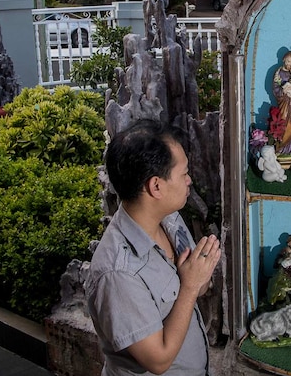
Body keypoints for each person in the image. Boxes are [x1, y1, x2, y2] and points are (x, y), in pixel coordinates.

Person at [86, 119, 221, 376]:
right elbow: (158, 361)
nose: (189, 180)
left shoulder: (169, 218)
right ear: (156, 186)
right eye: (183, 174)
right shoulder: (118, 273)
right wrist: (191, 286)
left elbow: (200, 284)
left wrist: (197, 279)